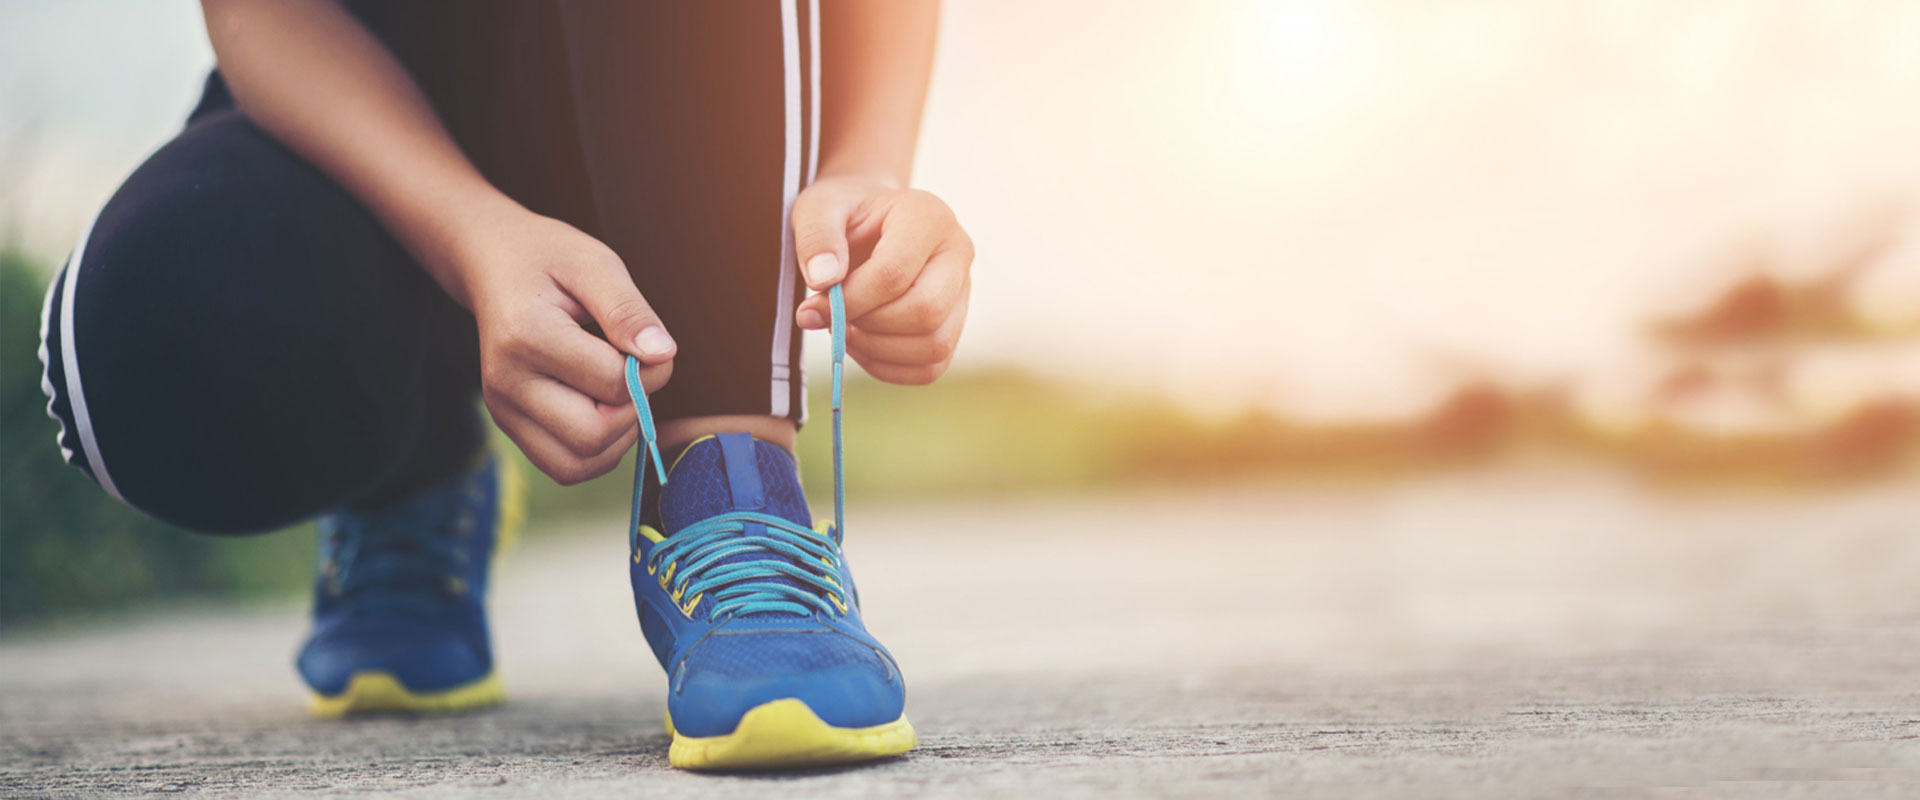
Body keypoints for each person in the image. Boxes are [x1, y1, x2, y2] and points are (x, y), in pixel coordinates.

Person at [37, 0, 971, 771]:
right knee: (144, 336)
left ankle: (729, 481)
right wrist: (471, 235)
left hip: (682, 94)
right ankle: (416, 467)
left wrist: (867, 168)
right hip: (385, 101)